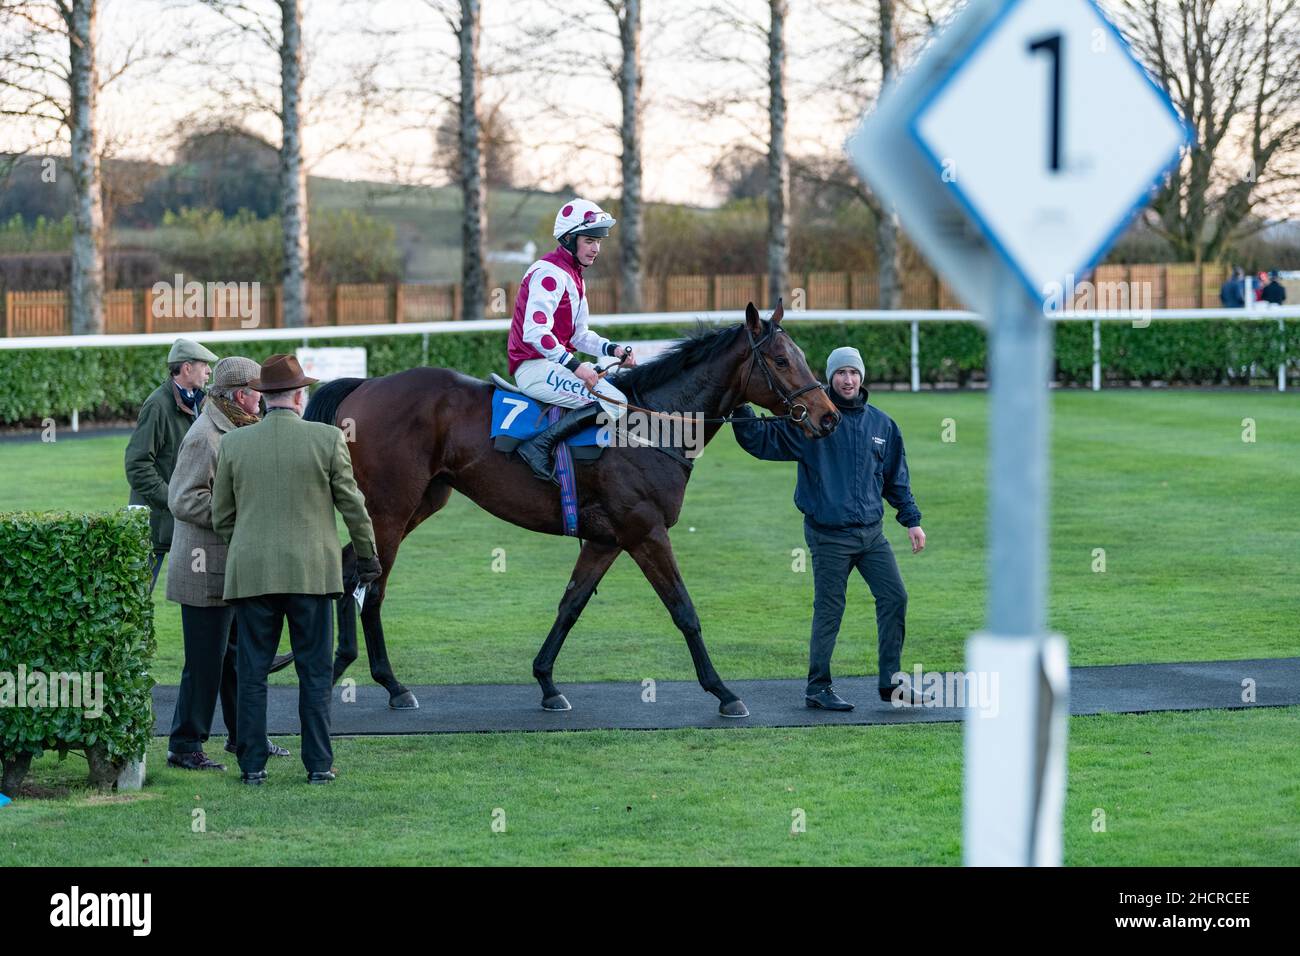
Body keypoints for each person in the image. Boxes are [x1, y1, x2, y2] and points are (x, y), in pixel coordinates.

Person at [212, 354, 382, 785]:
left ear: (264, 398)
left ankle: (252, 766)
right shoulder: (327, 439)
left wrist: (248, 547)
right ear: (300, 396)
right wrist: (367, 558)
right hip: (311, 573)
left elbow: (221, 517)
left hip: (253, 575)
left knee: (251, 674)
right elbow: (353, 507)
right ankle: (319, 765)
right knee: (314, 672)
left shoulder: (233, 443)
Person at [732, 346, 929, 711]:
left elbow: (895, 479)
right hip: (829, 536)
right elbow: (761, 440)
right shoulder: (810, 419)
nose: (848, 379)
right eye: (841, 373)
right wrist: (739, 406)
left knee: (895, 598)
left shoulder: (882, 425)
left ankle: (891, 684)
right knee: (830, 609)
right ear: (830, 377)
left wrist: (912, 520)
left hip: (872, 536)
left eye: (853, 372)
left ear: (861, 377)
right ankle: (818, 687)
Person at [165, 356, 291, 771]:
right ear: (241, 395)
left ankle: (244, 738)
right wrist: (238, 514)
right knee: (205, 663)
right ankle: (185, 746)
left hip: (230, 568)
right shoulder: (206, 435)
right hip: (204, 572)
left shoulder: (234, 427)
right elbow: (182, 499)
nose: (264, 399)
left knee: (237, 659)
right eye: (259, 392)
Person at [508, 198, 637, 483]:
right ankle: (539, 448)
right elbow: (535, 332)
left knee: (618, 390)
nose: (596, 248)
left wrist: (612, 349)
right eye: (589, 240)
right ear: (568, 239)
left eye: (599, 242)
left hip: (552, 365)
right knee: (615, 401)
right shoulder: (549, 273)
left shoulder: (574, 276)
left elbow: (579, 335)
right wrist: (576, 366)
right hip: (534, 368)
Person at [125, 338, 218, 590]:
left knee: (200, 594)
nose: (209, 371)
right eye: (204, 365)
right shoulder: (157, 404)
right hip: (155, 522)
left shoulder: (203, 401)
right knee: (136, 600)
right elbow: (137, 464)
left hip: (184, 518)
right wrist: (175, 498)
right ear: (187, 368)